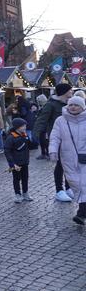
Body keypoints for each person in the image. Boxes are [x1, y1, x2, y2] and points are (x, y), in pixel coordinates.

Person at [49, 96, 86, 224]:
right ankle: (82, 212)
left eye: (76, 105)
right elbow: (55, 137)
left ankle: (81, 214)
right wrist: (53, 150)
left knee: (84, 185)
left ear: (82, 106)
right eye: (71, 105)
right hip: (68, 158)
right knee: (76, 184)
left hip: (84, 158)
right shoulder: (60, 120)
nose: (73, 107)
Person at [34, 83, 73, 202]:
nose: (71, 92)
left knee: (69, 164)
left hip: (70, 138)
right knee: (60, 164)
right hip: (57, 138)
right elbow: (41, 120)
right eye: (70, 90)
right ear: (64, 91)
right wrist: (34, 136)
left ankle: (68, 188)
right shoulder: (51, 105)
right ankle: (59, 190)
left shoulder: (70, 104)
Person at [4, 118, 33, 203]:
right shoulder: (11, 137)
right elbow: (7, 151)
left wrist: (30, 139)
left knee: (25, 178)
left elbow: (31, 146)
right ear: (17, 127)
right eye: (23, 126)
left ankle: (25, 193)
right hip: (16, 163)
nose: (25, 127)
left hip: (25, 162)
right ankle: (17, 194)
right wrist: (12, 164)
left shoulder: (24, 135)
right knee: (16, 179)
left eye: (25, 125)